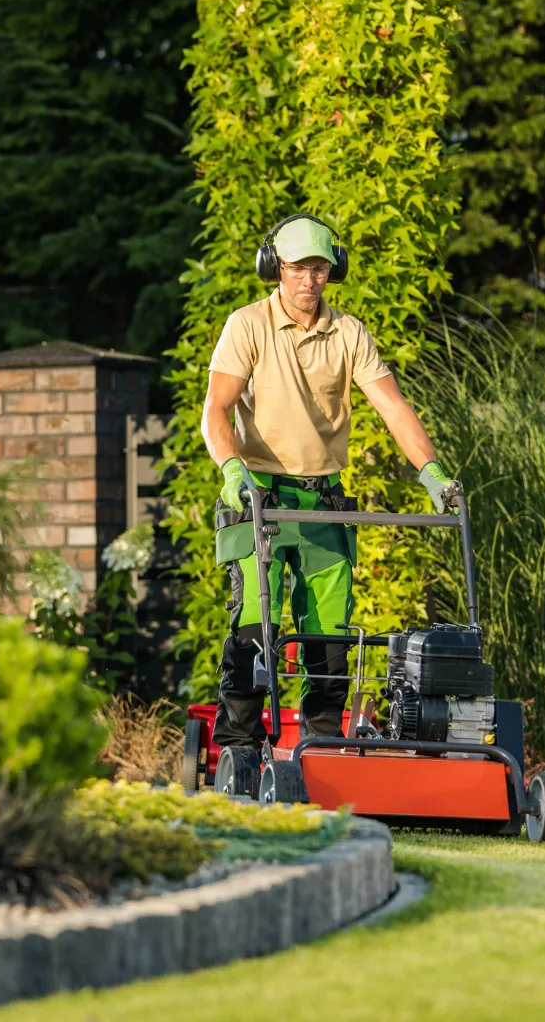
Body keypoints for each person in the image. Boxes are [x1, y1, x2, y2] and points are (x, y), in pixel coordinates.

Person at [201, 213, 460, 748]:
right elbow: (216, 410)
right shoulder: (246, 325)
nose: (307, 280)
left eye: (318, 269)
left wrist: (431, 472)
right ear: (276, 267)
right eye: (297, 267)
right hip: (261, 501)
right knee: (257, 624)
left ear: (332, 270)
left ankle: (320, 747)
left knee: (328, 640)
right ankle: (239, 747)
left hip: (324, 502)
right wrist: (231, 469)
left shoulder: (348, 332)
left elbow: (392, 407)